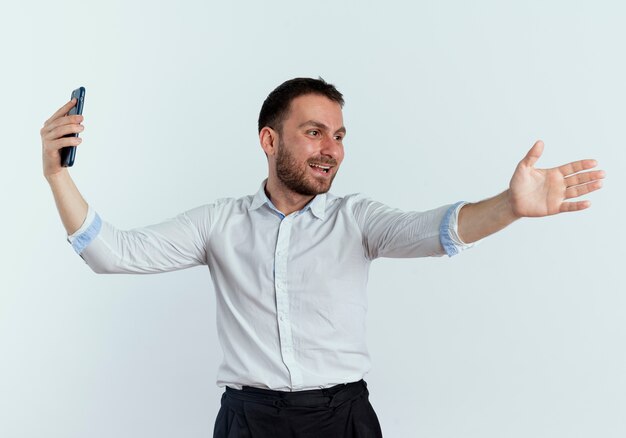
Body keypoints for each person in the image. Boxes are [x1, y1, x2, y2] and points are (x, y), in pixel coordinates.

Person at [41, 77, 605, 437]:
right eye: (314, 132)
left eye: (338, 135)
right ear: (269, 141)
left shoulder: (356, 219)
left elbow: (435, 231)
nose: (331, 149)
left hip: (343, 420)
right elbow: (110, 253)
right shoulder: (218, 223)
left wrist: (510, 205)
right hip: (247, 422)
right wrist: (55, 173)